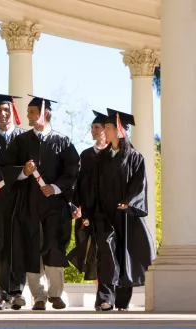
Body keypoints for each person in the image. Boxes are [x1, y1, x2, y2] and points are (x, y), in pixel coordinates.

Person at [0, 95, 80, 310]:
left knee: (54, 246)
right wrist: (23, 172)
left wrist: (54, 188)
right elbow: (6, 166)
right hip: (29, 203)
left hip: (55, 205)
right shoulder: (21, 141)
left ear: (44, 113)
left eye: (32, 112)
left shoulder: (62, 142)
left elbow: (72, 170)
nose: (28, 115)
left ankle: (55, 294)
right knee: (31, 247)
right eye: (28, 112)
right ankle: (38, 296)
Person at [92, 108, 155, 311]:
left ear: (120, 130)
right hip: (103, 213)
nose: (106, 131)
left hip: (125, 214)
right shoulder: (101, 158)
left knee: (124, 255)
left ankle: (121, 301)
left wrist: (129, 202)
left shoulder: (135, 157)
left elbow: (139, 184)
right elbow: (91, 184)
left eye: (109, 127)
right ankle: (105, 298)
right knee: (106, 252)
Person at [0, 94, 27, 311]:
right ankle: (4, 294)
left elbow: (31, 167)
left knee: (19, 245)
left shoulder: (25, 138)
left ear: (13, 111)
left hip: (21, 200)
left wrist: (11, 174)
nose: (3, 114)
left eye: (7, 109)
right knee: (2, 247)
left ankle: (18, 291)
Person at [69, 110, 108, 286]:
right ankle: (100, 293)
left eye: (96, 127)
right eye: (91, 127)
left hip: (108, 210)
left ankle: (106, 291)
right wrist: (76, 206)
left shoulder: (113, 154)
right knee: (91, 250)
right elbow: (79, 183)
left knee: (106, 249)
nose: (93, 130)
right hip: (89, 208)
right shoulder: (85, 154)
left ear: (106, 129)